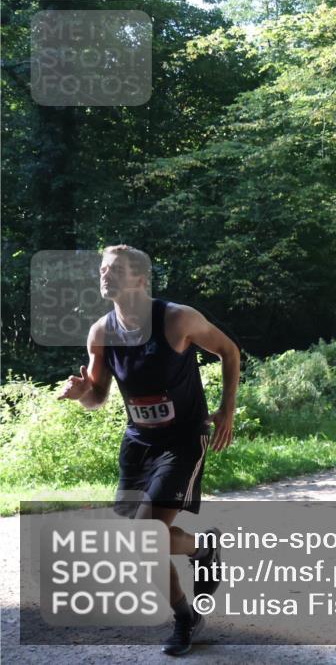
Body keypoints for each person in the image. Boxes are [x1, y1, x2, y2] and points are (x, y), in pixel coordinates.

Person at [58, 245, 240, 656]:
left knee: (145, 537)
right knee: (141, 543)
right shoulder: (101, 332)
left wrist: (227, 409)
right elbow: (99, 397)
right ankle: (199, 560)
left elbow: (229, 351)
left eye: (116, 269)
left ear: (140, 279)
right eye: (103, 269)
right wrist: (82, 393)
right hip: (139, 443)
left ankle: (185, 612)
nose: (106, 275)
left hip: (182, 441)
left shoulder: (178, 319)